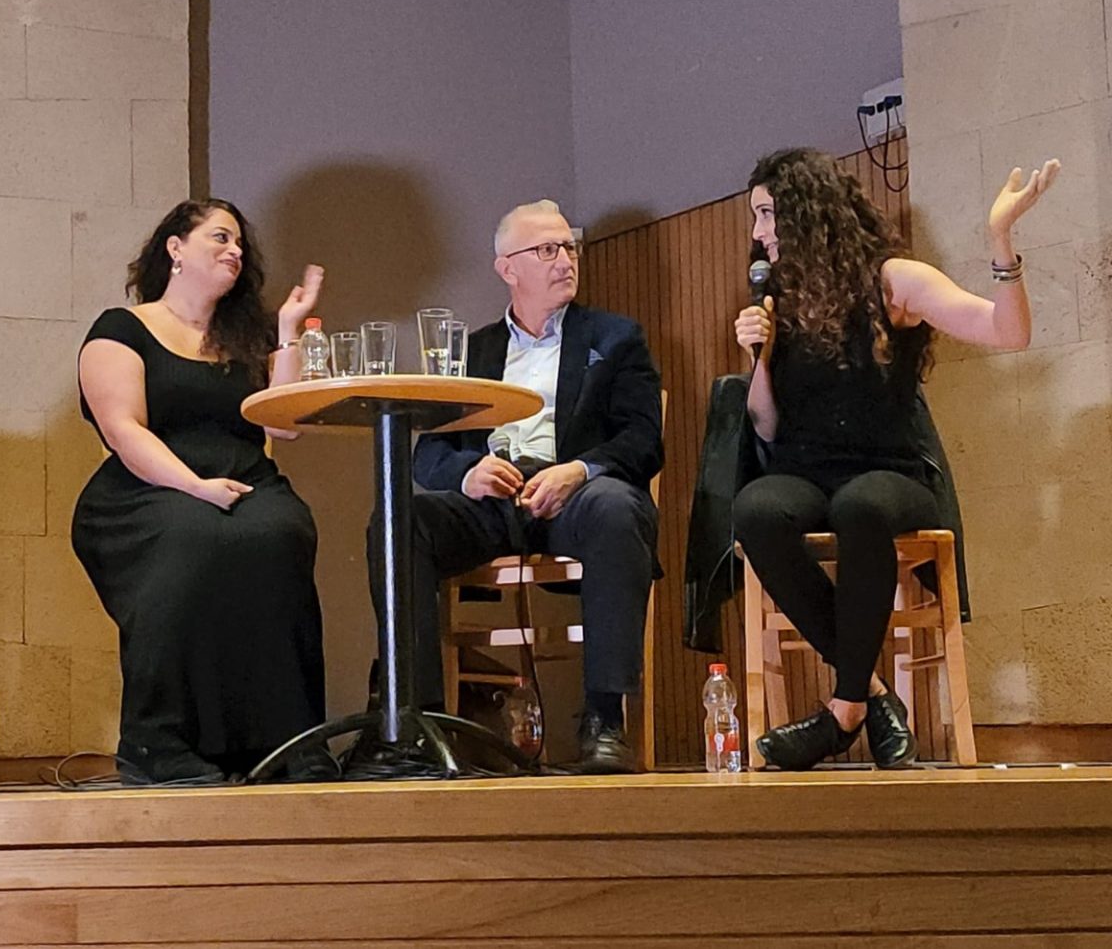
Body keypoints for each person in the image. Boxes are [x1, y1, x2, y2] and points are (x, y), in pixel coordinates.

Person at [732, 147, 1060, 770]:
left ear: (808, 212)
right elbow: (766, 425)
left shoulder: (893, 281)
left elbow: (1007, 332)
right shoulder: (778, 299)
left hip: (891, 474)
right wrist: (761, 356)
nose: (759, 232)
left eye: (768, 214)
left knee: (861, 506)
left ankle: (842, 711)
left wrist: (1001, 240)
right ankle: (870, 698)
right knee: (756, 510)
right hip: (806, 471)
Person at [372, 199, 664, 774]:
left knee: (616, 506)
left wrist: (580, 470)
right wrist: (468, 473)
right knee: (400, 521)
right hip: (493, 498)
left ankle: (605, 720)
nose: (566, 261)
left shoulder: (615, 337)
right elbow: (429, 452)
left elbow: (643, 439)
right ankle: (417, 726)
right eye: (548, 250)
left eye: (569, 247)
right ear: (507, 268)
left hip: (574, 495)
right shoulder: (472, 350)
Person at [72, 198, 328, 784]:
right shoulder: (122, 329)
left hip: (245, 482)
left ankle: (288, 740)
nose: (234, 250)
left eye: (239, 243)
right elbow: (123, 429)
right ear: (176, 248)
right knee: (190, 536)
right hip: (146, 489)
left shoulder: (246, 339)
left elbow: (283, 424)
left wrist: (288, 330)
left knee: (282, 530)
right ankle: (156, 743)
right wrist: (194, 486)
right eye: (220, 237)